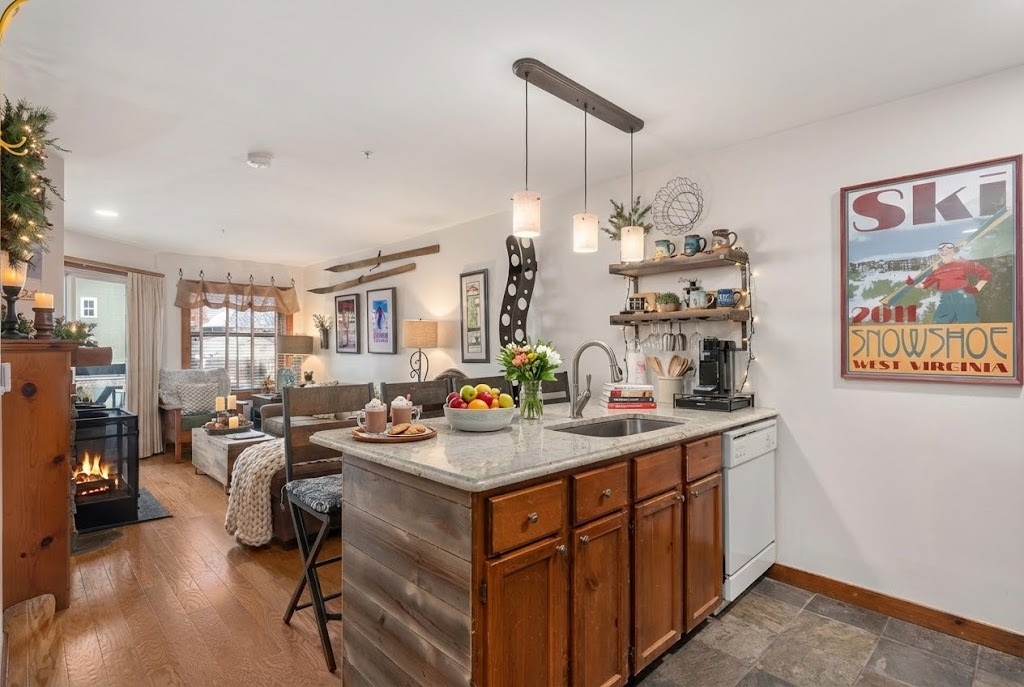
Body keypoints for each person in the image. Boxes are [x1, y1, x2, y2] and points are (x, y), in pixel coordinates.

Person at [905, 242, 991, 323]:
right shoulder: (937, 270)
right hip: (945, 300)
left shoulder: (963, 263)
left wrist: (976, 288)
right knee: (939, 328)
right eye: (942, 251)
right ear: (939, 254)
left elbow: (986, 273)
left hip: (963, 298)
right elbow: (923, 285)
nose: (945, 252)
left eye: (948, 250)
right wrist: (911, 283)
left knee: (969, 327)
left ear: (953, 252)